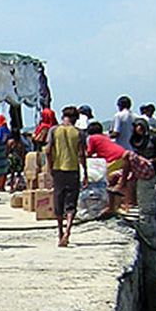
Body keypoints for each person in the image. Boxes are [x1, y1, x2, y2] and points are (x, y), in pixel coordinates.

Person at [46, 106, 87, 247]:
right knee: (71, 203)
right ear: (75, 119)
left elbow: (47, 151)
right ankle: (68, 231)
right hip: (73, 170)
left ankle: (60, 232)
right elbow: (81, 154)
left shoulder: (54, 130)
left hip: (58, 170)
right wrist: (86, 173)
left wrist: (50, 167)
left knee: (58, 201)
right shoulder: (79, 133)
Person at [85, 121, 127, 208]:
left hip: (114, 158)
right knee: (115, 179)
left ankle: (112, 205)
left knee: (106, 179)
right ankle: (118, 203)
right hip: (122, 154)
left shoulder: (92, 138)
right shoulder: (105, 136)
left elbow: (89, 153)